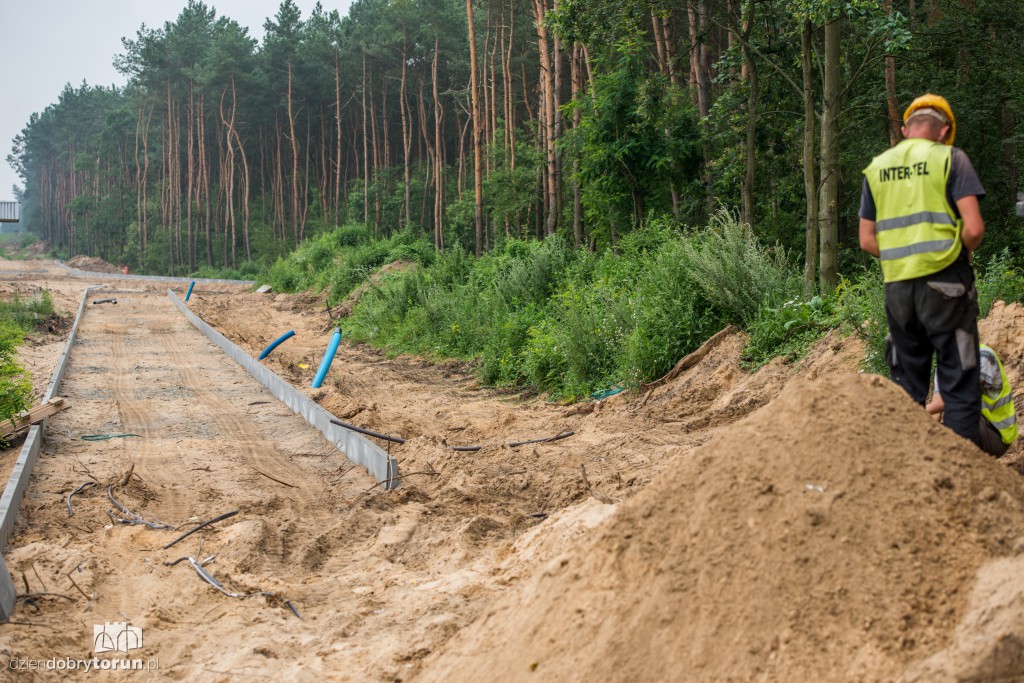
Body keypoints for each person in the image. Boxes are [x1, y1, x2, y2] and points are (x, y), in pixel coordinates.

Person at [859, 93, 986, 446]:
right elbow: (974, 229)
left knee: (906, 388)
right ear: (944, 131)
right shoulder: (952, 159)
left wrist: (904, 257)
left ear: (905, 130)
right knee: (959, 384)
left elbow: (867, 240)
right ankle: (959, 471)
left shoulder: (878, 167)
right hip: (947, 285)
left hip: (898, 291)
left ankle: (908, 466)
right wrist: (955, 251)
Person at [927, 343, 1018, 456]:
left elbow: (953, 398)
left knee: (958, 416)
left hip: (995, 434)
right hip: (974, 427)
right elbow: (936, 408)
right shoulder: (944, 365)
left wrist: (914, 410)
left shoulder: (983, 355)